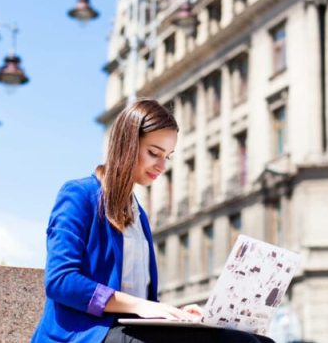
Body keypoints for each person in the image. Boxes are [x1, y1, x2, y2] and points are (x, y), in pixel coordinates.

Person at [31, 100, 275, 343]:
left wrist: (175, 314)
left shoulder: (139, 214)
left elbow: (138, 301)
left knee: (258, 341)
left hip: (125, 331)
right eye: (154, 153)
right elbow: (60, 281)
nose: (162, 166)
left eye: (168, 156)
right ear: (127, 144)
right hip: (83, 333)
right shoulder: (78, 195)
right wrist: (143, 306)